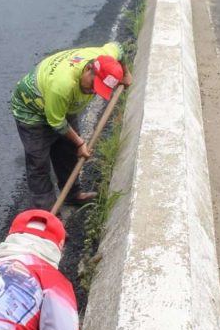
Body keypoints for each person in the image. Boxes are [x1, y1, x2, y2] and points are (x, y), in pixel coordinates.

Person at [10, 43, 132, 210]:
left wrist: (126, 73)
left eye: (99, 89)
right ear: (89, 68)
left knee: (67, 150)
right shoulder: (62, 85)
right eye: (93, 85)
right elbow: (56, 122)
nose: (92, 92)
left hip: (61, 105)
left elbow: (119, 48)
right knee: (38, 164)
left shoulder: (105, 56)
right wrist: (81, 143)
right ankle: (46, 215)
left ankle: (72, 195)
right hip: (31, 108)